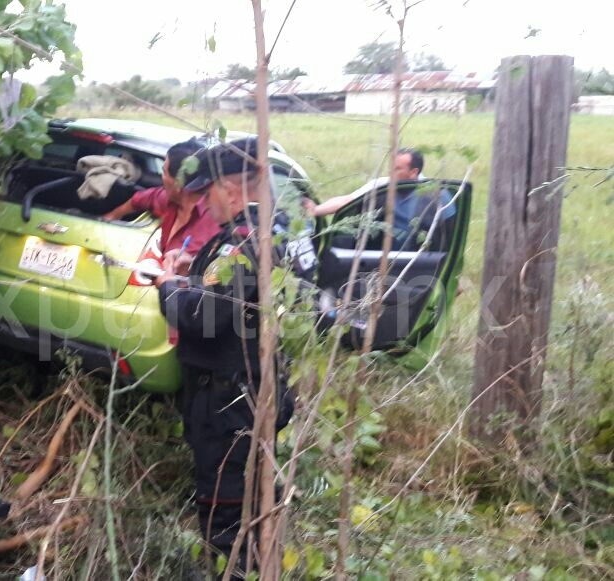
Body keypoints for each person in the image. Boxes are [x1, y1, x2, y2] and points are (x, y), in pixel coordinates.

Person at [154, 137, 298, 573]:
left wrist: (167, 285)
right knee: (255, 496)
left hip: (228, 405)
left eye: (207, 190)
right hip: (254, 391)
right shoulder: (276, 230)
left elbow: (204, 316)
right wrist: (192, 272)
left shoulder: (244, 243)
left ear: (232, 192)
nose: (201, 199)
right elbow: (234, 299)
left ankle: (232, 569)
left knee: (226, 510)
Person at [304, 148, 457, 250]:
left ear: (414, 172)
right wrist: (316, 210)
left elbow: (452, 235)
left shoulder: (436, 195)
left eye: (397, 169)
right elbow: (347, 201)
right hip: (382, 259)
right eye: (391, 167)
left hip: (419, 260)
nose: (391, 172)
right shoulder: (381, 187)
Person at [102, 138, 221, 253]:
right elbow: (139, 199)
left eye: (164, 171)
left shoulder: (215, 224)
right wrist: (110, 218)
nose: (161, 177)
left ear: (178, 184)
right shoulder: (168, 199)